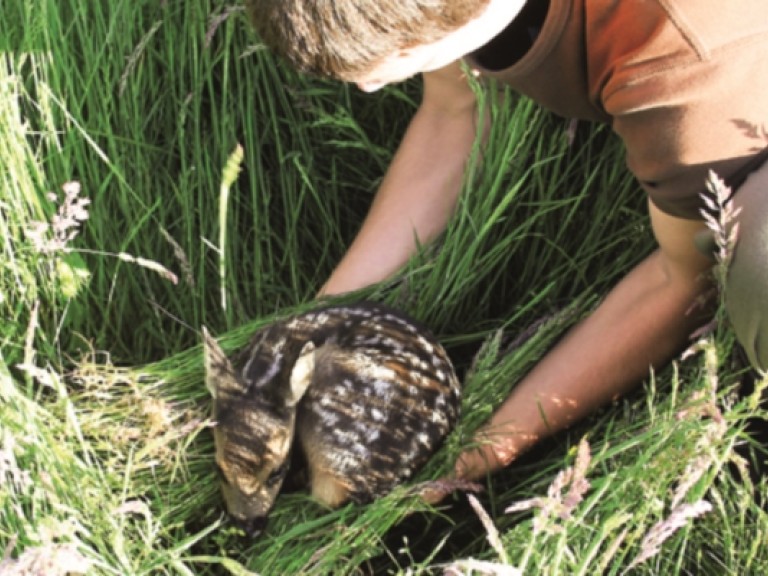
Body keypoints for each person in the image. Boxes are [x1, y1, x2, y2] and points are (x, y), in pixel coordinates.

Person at [243, 0, 768, 482]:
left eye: (380, 68)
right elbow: (458, 111)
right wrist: (305, 338)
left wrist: (472, 458)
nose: (368, 89)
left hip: (738, 103)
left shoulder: (682, 73)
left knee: (756, 272)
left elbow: (678, 280)